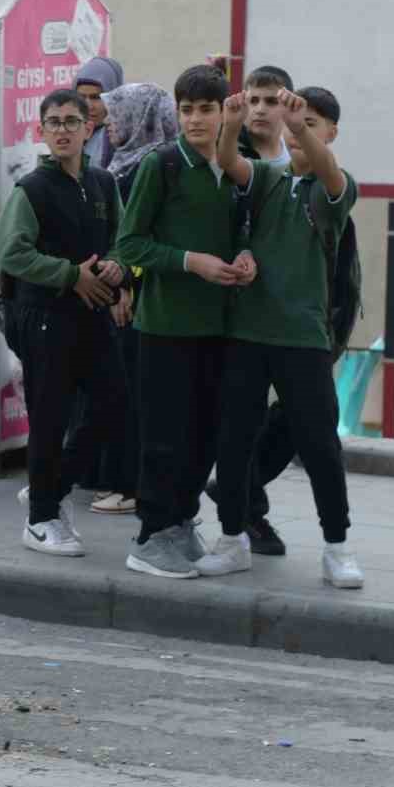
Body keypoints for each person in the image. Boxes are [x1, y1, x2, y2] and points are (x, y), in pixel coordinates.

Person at [199, 87, 363, 588]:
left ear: (331, 133)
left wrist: (297, 130)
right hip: (248, 333)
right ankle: (231, 540)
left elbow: (328, 172)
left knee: (318, 446)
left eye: (312, 124)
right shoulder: (267, 177)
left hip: (303, 338)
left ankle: (336, 548)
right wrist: (230, 120)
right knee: (233, 439)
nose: (298, 131)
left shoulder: (335, 187)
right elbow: (229, 160)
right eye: (297, 123)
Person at [112, 63, 256, 579]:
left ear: (223, 114)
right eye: (187, 109)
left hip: (220, 327)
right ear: (176, 112)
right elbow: (129, 244)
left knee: (203, 435)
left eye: (206, 109)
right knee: (164, 437)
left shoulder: (237, 168)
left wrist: (244, 256)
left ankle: (180, 523)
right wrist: (189, 261)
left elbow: (245, 228)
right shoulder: (162, 166)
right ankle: (152, 536)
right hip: (165, 327)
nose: (195, 119)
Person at [0, 88, 126, 556]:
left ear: (89, 128)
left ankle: (51, 487)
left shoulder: (103, 184)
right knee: (49, 418)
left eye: (73, 121)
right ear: (42, 130)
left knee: (115, 405)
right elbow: (12, 253)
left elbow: (122, 240)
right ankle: (40, 521)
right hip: (44, 317)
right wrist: (70, 275)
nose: (64, 130)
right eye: (54, 122)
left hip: (92, 316)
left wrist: (116, 267)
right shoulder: (32, 190)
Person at [83, 81, 180, 517]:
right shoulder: (127, 160)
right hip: (119, 294)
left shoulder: (151, 166)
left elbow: (146, 237)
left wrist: (127, 288)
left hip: (136, 302)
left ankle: (131, 486)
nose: (112, 123)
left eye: (119, 114)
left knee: (133, 394)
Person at [75, 56, 125, 169]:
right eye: (81, 97)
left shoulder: (121, 138)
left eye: (96, 97)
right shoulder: (70, 132)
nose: (88, 106)